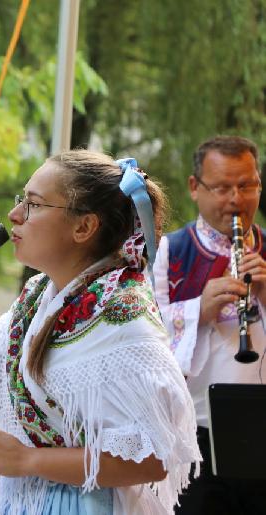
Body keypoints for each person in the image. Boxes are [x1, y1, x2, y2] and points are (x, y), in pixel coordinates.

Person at [0, 150, 201, 514]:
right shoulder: (37, 297)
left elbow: (151, 459)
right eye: (21, 200)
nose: (14, 215)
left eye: (34, 204)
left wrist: (28, 461)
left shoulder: (124, 315)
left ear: (84, 227)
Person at [152, 135, 266, 514]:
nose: (235, 199)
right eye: (221, 188)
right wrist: (197, 310)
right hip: (194, 434)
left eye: (246, 185)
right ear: (194, 188)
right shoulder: (170, 251)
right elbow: (145, 336)